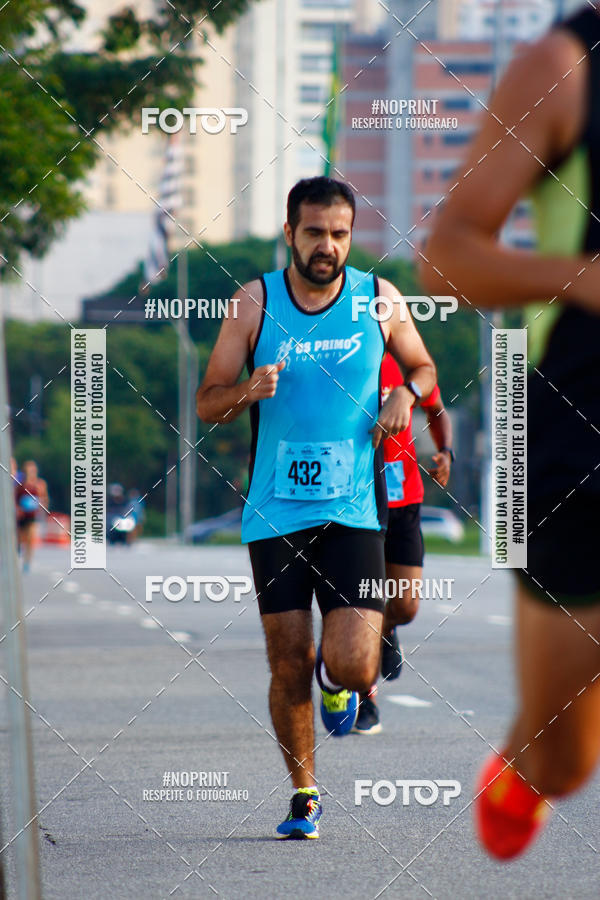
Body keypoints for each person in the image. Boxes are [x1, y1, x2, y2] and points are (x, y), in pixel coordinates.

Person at [196, 176, 436, 839]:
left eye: (339, 234)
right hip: (275, 513)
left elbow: (423, 366)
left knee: (356, 666)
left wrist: (406, 397)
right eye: (314, 233)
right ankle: (304, 793)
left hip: (354, 511)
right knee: (287, 661)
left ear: (350, 237)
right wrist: (247, 390)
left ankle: (343, 684)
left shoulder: (378, 300)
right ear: (289, 234)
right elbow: (206, 402)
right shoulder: (254, 303)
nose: (326, 247)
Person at [421, 3, 600, 860]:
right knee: (565, 762)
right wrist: (581, 277)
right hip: (583, 447)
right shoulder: (566, 65)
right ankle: (525, 770)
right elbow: (446, 256)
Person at [353, 353, 453, 734]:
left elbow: (437, 408)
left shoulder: (406, 368)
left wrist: (446, 451)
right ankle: (366, 698)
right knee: (363, 606)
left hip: (404, 499)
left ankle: (388, 630)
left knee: (405, 607)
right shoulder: (338, 357)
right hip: (356, 504)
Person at [15, 460, 48, 572]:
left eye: (32, 471)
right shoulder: (20, 485)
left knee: (30, 539)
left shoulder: (40, 484)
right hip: (22, 516)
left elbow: (44, 499)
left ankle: (27, 561)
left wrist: (41, 505)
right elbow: (15, 498)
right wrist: (18, 509)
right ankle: (18, 554)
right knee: (20, 538)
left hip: (33, 515)